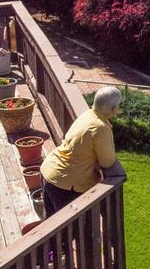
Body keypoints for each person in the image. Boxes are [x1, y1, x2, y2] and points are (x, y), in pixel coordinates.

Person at [40, 86, 126, 217]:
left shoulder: (87, 115)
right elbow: (108, 162)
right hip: (65, 185)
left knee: (50, 228)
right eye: (119, 105)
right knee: (69, 230)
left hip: (49, 171)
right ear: (114, 108)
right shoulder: (100, 128)